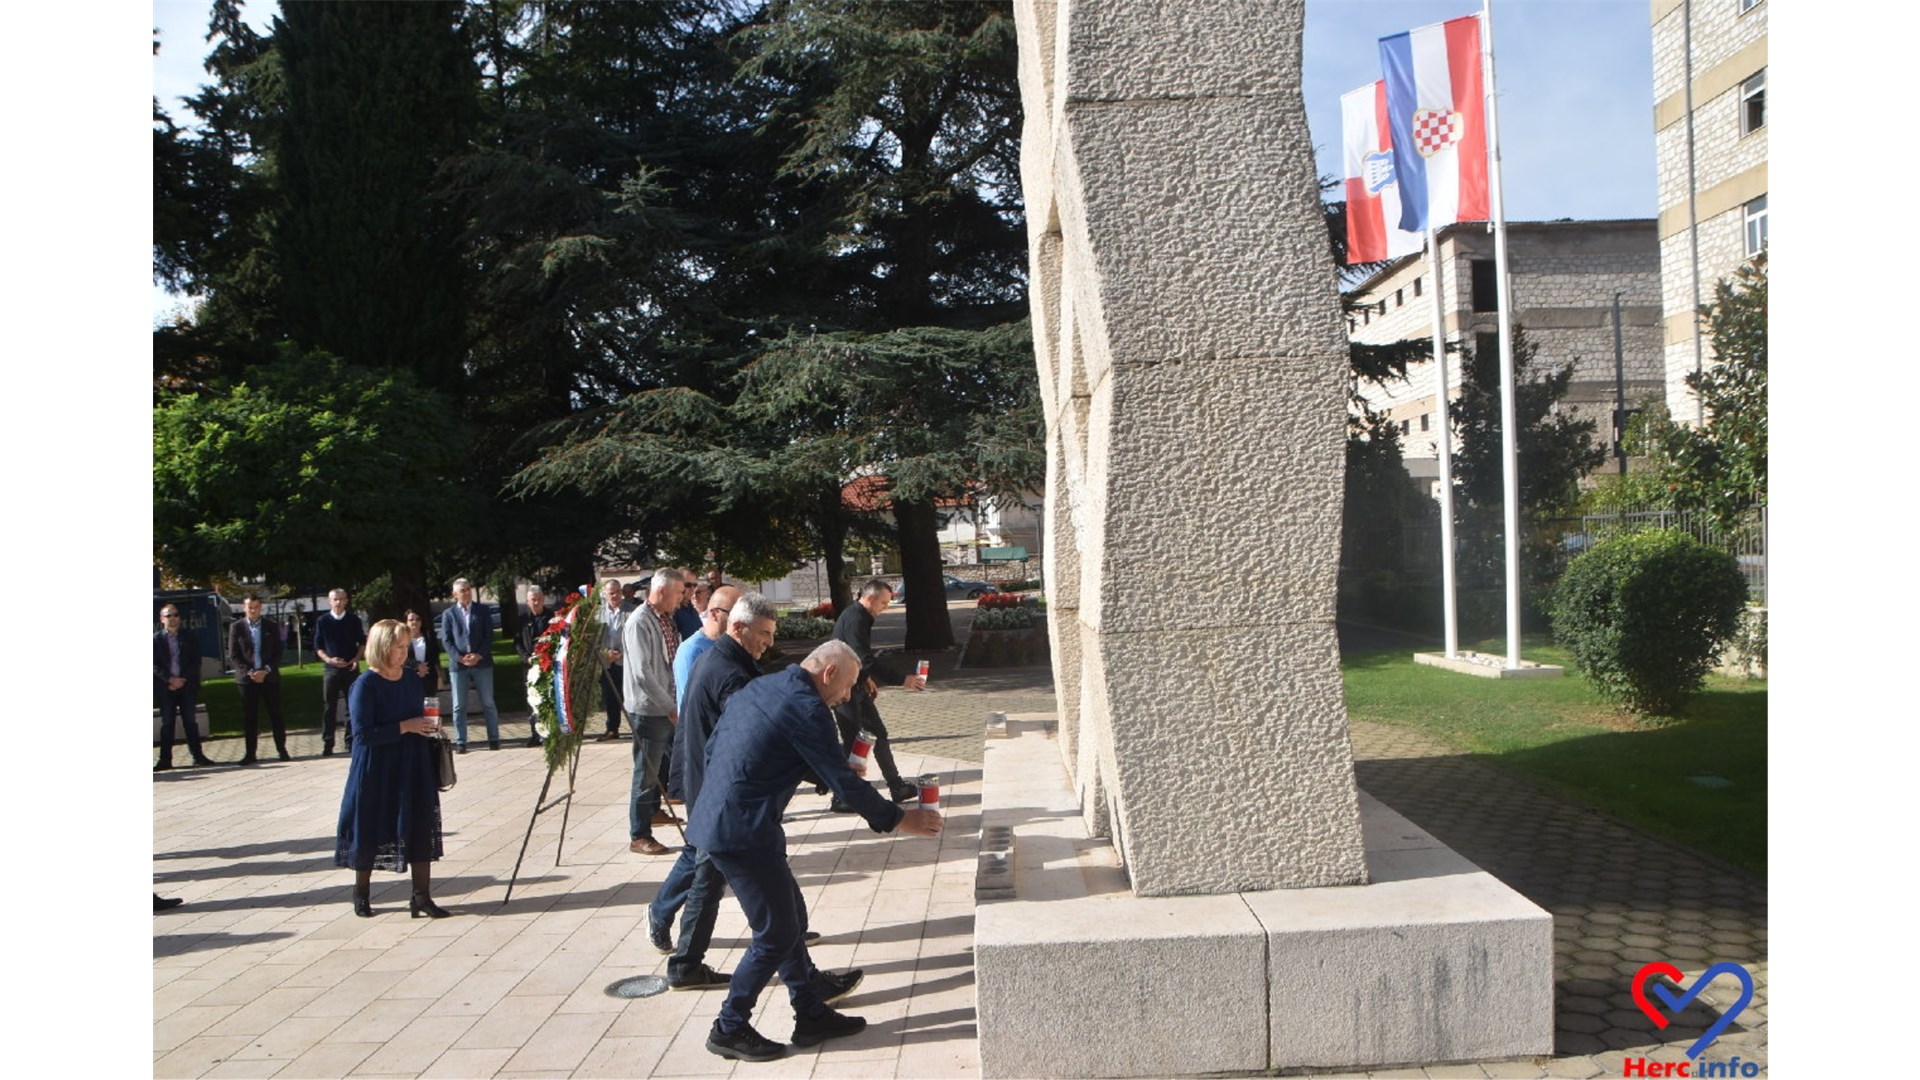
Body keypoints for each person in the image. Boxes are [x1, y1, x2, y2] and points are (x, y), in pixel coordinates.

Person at [692, 641, 943, 1062]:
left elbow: (739, 746)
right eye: (846, 687)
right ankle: (729, 1027)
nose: (847, 697)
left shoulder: (765, 686)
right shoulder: (809, 708)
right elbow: (847, 789)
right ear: (828, 673)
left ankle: (809, 1014)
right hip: (742, 832)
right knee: (774, 934)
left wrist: (827, 768)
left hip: (728, 818)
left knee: (787, 916)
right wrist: (901, 819)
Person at [648, 586, 750, 988]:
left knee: (706, 857)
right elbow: (694, 722)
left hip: (713, 778)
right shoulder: (699, 654)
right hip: (706, 777)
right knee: (705, 861)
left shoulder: (727, 655)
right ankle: (663, 919)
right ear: (718, 613)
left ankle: (786, 929)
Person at [333, 618, 449, 919]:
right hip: (377, 767)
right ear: (382, 647)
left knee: (420, 824)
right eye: (398, 647)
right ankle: (361, 893)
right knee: (370, 826)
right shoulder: (365, 685)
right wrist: (404, 726)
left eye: (406, 646)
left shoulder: (410, 678)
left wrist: (430, 724)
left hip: (413, 762)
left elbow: (420, 711)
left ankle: (421, 896)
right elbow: (361, 735)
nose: (403, 652)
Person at [830, 579, 927, 806]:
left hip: (856, 683)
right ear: (871, 598)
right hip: (842, 688)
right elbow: (864, 658)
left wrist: (866, 678)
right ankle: (841, 797)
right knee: (853, 741)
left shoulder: (862, 616)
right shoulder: (855, 618)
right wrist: (903, 680)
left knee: (878, 733)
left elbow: (857, 656)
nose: (885, 608)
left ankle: (897, 787)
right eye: (883, 603)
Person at [622, 568, 683, 855]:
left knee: (660, 767)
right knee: (646, 771)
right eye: (678, 593)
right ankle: (639, 834)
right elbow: (642, 674)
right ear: (661, 592)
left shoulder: (665, 619)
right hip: (650, 710)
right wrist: (669, 706)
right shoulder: (639, 622)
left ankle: (654, 812)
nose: (681, 599)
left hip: (666, 706)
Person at [438, 577, 501, 752]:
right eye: (462, 590)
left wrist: (479, 654)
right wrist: (459, 657)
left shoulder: (482, 611)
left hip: (482, 663)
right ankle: (461, 741)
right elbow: (446, 640)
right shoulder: (449, 614)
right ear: (454, 594)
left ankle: (494, 739)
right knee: (459, 705)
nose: (466, 592)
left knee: (488, 701)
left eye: (468, 589)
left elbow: (489, 636)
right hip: (459, 666)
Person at [229, 596, 288, 764]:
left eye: (256, 607)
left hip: (269, 679)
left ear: (261, 607)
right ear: (244, 608)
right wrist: (250, 672)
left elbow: (277, 652)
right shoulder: (237, 627)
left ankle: (281, 749)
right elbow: (234, 655)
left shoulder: (271, 626)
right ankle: (250, 754)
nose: (253, 610)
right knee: (250, 717)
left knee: (276, 714)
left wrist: (266, 670)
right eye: (250, 607)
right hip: (247, 680)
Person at [154, 604, 214, 770]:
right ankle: (165, 760)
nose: (172, 618)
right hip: (166, 688)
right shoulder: (155, 640)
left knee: (190, 721)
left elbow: (195, 661)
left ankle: (198, 756)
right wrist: (170, 680)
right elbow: (154, 665)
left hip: (186, 686)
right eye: (168, 616)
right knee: (167, 723)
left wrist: (182, 680)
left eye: (175, 615)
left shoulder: (190, 636)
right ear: (162, 619)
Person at [313, 588, 367, 757]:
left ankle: (350, 741)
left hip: (351, 668)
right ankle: (328, 743)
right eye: (335, 599)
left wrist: (356, 659)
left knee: (352, 707)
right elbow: (318, 647)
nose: (338, 602)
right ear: (330, 601)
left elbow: (362, 643)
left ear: (346, 601)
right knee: (329, 706)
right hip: (331, 670)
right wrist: (329, 660)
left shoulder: (353, 620)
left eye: (341, 599)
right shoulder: (323, 621)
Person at [517, 586, 553, 747]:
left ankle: (549, 733)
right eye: (533, 599)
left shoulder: (552, 617)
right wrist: (526, 658)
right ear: (527, 601)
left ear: (543, 599)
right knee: (532, 700)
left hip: (548, 665)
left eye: (538, 598)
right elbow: (517, 643)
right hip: (530, 665)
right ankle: (535, 734)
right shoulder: (522, 620)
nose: (536, 602)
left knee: (548, 698)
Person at [595, 581, 629, 741]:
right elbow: (595, 639)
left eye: (617, 592)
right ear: (605, 594)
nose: (614, 595)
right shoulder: (598, 614)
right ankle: (612, 728)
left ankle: (635, 728)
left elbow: (633, 636)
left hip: (626, 661)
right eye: (611, 593)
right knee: (610, 696)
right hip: (607, 661)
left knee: (628, 696)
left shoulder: (631, 611)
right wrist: (605, 653)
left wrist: (622, 653)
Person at [404, 608, 442, 696]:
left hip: (429, 675)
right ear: (406, 622)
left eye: (418, 619)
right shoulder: (402, 639)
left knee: (430, 705)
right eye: (411, 620)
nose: (415, 622)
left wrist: (424, 668)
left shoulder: (429, 637)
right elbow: (402, 657)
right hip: (410, 676)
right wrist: (417, 665)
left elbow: (435, 656)